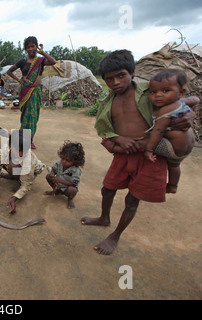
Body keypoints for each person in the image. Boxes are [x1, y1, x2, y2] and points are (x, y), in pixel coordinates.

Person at [85, 49, 197, 255]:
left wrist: (189, 113)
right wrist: (119, 138)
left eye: (121, 76)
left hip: (150, 155)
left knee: (132, 199)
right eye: (109, 79)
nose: (116, 82)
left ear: (132, 73)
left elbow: (185, 100)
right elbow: (103, 128)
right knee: (107, 189)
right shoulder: (107, 102)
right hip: (123, 154)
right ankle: (104, 218)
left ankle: (115, 235)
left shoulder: (151, 91)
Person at [101, 69, 196, 194]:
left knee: (143, 142)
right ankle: (173, 186)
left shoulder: (153, 99)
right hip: (185, 148)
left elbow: (158, 130)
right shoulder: (173, 102)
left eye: (165, 91)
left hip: (172, 146)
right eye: (154, 92)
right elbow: (193, 100)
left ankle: (114, 148)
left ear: (132, 73)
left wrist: (148, 150)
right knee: (174, 166)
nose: (158, 95)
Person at [6, 36, 57, 149]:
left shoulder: (41, 61)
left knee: (33, 116)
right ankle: (22, 138)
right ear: (25, 49)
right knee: (25, 116)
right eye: (28, 47)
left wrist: (43, 52)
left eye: (33, 46)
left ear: (36, 46)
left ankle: (29, 139)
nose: (30, 49)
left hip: (36, 91)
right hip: (25, 90)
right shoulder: (22, 62)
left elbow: (53, 62)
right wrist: (19, 80)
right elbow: (9, 71)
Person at [0, 129, 46, 214]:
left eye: (24, 151)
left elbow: (26, 186)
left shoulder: (28, 161)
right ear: (11, 145)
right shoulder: (7, 148)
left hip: (32, 171)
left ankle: (17, 179)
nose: (20, 154)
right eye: (18, 150)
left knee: (13, 166)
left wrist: (14, 198)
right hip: (16, 163)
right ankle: (13, 175)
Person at [45, 141, 85, 209]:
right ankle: (57, 191)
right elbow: (54, 169)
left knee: (72, 190)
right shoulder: (59, 163)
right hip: (58, 184)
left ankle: (70, 199)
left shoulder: (76, 170)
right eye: (63, 158)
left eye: (68, 160)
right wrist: (52, 174)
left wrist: (59, 180)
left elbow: (73, 184)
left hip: (67, 188)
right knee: (48, 176)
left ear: (75, 161)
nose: (64, 161)